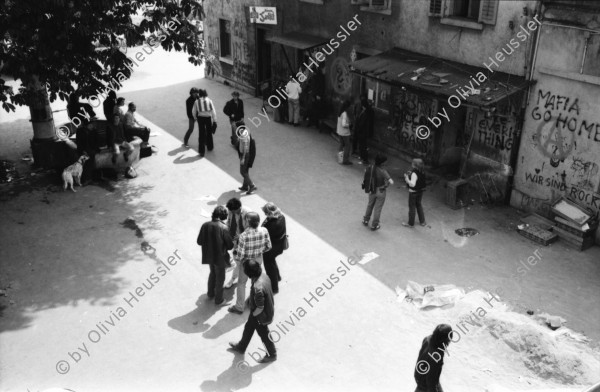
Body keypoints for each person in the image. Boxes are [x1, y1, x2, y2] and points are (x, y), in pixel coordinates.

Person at [228, 259, 277, 363]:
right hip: (260, 312)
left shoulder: (257, 288)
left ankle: (272, 354)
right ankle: (241, 347)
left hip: (260, 315)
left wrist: (253, 315)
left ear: (249, 273)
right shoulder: (263, 276)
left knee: (264, 334)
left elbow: (260, 307)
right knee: (248, 328)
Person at [228, 212, 271, 315]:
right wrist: (259, 252)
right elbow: (268, 246)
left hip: (246, 263)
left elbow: (240, 255)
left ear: (248, 222)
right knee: (255, 282)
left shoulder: (244, 235)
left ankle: (239, 307)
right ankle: (253, 302)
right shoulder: (264, 230)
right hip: (258, 259)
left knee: (242, 283)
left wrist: (239, 259)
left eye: (245, 219)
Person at [197, 205, 234, 305]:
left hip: (209, 256)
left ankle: (210, 294)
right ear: (223, 216)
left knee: (212, 273)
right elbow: (230, 246)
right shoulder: (224, 228)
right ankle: (219, 300)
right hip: (220, 258)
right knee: (220, 278)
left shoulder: (205, 225)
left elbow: (199, 241)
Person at [414, 324, 453, 392]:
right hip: (425, 385)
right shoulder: (437, 356)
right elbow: (431, 381)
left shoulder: (427, 339)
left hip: (419, 376)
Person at [224, 198, 252, 289]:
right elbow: (228, 222)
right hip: (235, 240)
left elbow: (251, 230)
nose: (232, 213)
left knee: (242, 263)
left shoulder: (248, 213)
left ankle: (239, 279)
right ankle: (234, 278)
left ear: (239, 208)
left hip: (245, 242)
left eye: (233, 211)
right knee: (237, 262)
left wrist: (240, 237)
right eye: (230, 211)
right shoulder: (231, 211)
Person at [362, 154, 394, 231]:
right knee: (377, 209)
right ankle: (374, 225)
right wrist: (387, 183)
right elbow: (391, 182)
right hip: (381, 191)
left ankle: (366, 220)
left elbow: (365, 171)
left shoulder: (371, 167)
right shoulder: (383, 171)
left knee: (370, 205)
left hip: (372, 189)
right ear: (382, 163)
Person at [261, 202, 286, 294]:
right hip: (279, 246)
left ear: (270, 213)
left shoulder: (270, 225)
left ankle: (274, 287)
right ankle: (278, 277)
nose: (265, 215)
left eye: (266, 213)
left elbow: (263, 234)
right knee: (272, 262)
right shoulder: (282, 217)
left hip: (270, 249)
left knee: (269, 267)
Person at [107, 97, 134, 165]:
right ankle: (114, 158)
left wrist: (125, 141)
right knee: (117, 153)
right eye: (116, 118)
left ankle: (126, 155)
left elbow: (122, 134)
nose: (117, 120)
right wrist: (110, 145)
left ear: (119, 119)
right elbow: (108, 137)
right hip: (115, 142)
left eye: (118, 118)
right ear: (114, 119)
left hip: (122, 141)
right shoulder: (110, 126)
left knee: (131, 148)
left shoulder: (120, 125)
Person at [192, 89, 217, 157]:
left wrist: (195, 118)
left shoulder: (197, 102)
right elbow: (213, 111)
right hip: (208, 118)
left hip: (200, 118)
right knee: (209, 132)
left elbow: (194, 111)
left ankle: (201, 151)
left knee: (201, 134)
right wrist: (215, 120)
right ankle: (210, 147)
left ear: (199, 94)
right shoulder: (209, 100)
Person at [403, 158, 427, 228]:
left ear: (414, 165)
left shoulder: (414, 173)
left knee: (412, 207)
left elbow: (412, 184)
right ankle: (422, 221)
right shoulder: (422, 171)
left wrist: (407, 179)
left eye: (413, 163)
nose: (411, 163)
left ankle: (410, 223)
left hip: (413, 192)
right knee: (419, 205)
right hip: (420, 191)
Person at [238, 127, 257, 194]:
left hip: (245, 155)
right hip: (247, 155)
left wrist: (243, 158)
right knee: (245, 171)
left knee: (242, 172)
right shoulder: (246, 133)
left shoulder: (244, 135)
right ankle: (245, 186)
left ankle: (251, 185)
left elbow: (245, 148)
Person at [354, 97, 371, 165]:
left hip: (362, 133)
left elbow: (361, 124)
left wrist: (358, 127)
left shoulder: (365, 114)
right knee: (362, 146)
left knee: (363, 146)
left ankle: (364, 159)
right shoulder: (363, 112)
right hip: (362, 132)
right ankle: (362, 157)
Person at [337, 100, 353, 165]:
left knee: (341, 144)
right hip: (345, 133)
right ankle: (345, 160)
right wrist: (349, 125)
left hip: (339, 131)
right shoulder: (344, 114)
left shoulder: (340, 112)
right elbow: (344, 124)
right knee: (347, 146)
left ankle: (340, 159)